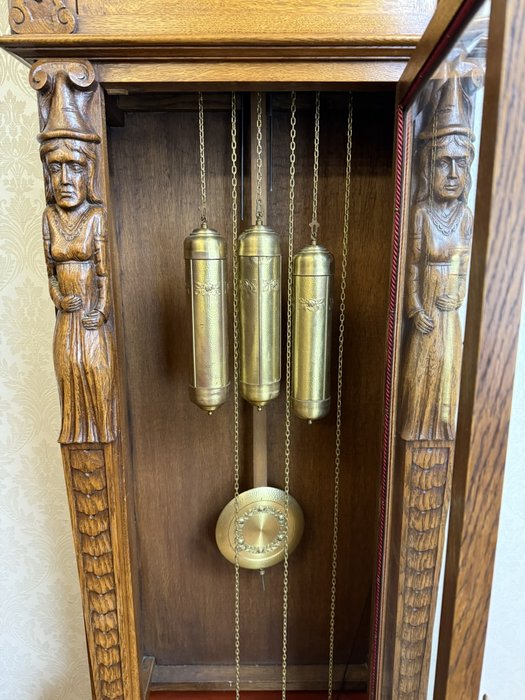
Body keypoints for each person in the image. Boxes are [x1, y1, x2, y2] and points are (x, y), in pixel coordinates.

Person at [400, 76, 475, 441]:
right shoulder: (421, 214)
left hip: (448, 314)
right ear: (428, 167)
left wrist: (458, 295)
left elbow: (465, 267)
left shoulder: (464, 216)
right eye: (444, 163)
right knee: (419, 377)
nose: (453, 174)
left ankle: (440, 432)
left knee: (448, 373)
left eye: (460, 163)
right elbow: (412, 267)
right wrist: (415, 310)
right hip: (427, 310)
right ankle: (417, 427)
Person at [40, 135, 116, 444]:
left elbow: (104, 272)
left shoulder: (96, 216)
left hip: (89, 318)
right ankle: (78, 436)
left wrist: (101, 311)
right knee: (68, 371)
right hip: (66, 318)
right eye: (55, 168)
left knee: (95, 370)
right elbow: (51, 274)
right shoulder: (49, 217)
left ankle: (102, 431)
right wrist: (58, 298)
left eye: (74, 167)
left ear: (89, 173)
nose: (64, 180)